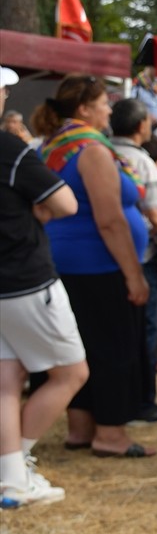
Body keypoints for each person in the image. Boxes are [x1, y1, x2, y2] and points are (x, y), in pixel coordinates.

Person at [31, 74, 156, 458]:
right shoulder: (92, 150)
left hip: (62, 264)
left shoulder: (50, 147)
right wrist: (134, 274)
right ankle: (111, 434)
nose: (109, 109)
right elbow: (110, 220)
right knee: (113, 349)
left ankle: (81, 428)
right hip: (99, 265)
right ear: (84, 108)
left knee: (80, 347)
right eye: (104, 102)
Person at [0, 130, 88, 504]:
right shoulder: (8, 147)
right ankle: (13, 471)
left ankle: (12, 478)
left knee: (7, 378)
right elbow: (66, 203)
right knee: (72, 373)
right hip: (25, 279)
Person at [110, 98, 157, 422]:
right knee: (146, 331)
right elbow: (155, 215)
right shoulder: (142, 161)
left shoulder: (102, 153)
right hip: (141, 259)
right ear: (140, 127)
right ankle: (142, 401)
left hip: (106, 259)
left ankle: (118, 400)